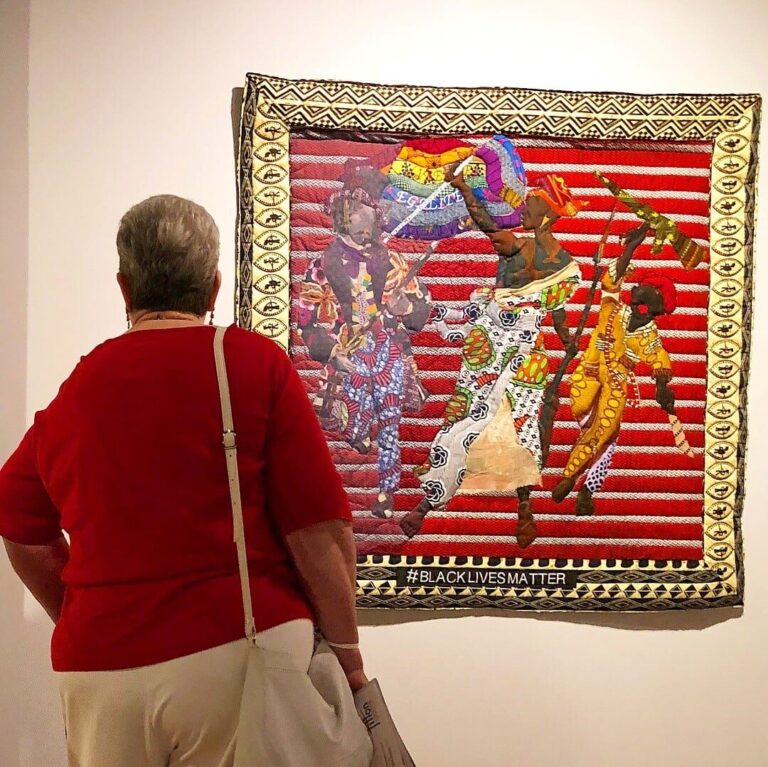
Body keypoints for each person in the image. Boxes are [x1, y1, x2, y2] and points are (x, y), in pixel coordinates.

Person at [0, 195, 368, 767]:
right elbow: (318, 530)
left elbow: (16, 517)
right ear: (215, 286)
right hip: (235, 654)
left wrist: (77, 610)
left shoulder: (83, 385)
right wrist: (348, 657)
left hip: (100, 675)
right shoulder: (250, 362)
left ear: (124, 288)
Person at [400, 168, 587, 547]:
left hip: (503, 348)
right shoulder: (562, 261)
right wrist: (566, 338)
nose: (523, 209)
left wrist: (463, 187)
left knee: (486, 419)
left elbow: (485, 223)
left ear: (547, 213)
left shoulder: (524, 250)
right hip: (519, 350)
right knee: (511, 425)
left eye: (531, 204)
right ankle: (514, 510)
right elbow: (554, 307)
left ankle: (431, 507)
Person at [297, 161, 432, 519]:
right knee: (353, 423)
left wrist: (407, 308)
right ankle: (358, 432)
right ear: (345, 214)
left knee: (390, 423)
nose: (371, 217)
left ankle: (387, 492)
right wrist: (332, 351)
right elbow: (306, 322)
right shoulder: (322, 266)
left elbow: (422, 308)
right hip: (350, 354)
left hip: (389, 352)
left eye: (373, 209)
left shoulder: (394, 260)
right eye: (361, 209)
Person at [551, 223, 677, 514]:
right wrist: (630, 248)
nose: (635, 287)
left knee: (605, 431)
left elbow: (659, 360)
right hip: (587, 375)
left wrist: (662, 387)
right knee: (591, 421)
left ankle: (576, 482)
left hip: (616, 385)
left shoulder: (649, 337)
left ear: (656, 304)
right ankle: (579, 480)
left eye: (644, 288)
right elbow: (613, 281)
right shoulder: (613, 309)